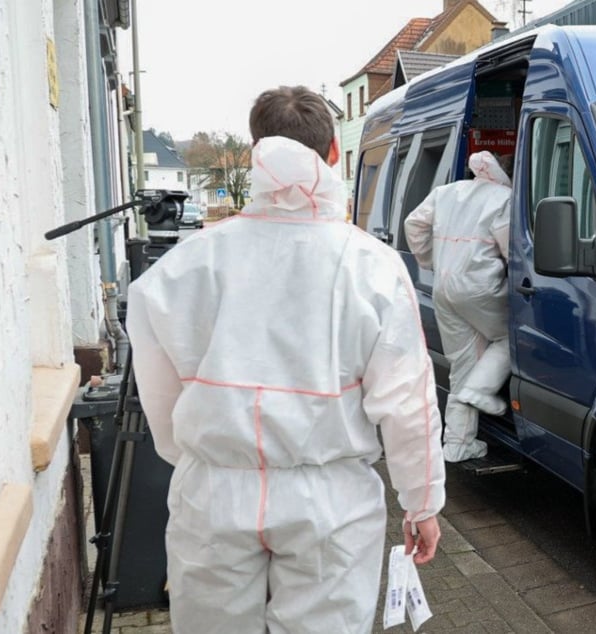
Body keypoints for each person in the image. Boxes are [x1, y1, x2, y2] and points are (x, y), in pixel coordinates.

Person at [126, 85, 445, 634]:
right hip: (330, 500)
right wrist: (421, 501)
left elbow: (158, 390)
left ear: (256, 153)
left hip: (215, 492)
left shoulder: (186, 265)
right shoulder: (370, 265)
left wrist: (200, 455)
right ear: (332, 156)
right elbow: (406, 400)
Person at [403, 151, 513, 463]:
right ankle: (481, 389)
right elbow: (512, 251)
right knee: (512, 338)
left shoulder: (447, 191)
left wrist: (429, 260)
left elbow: (413, 224)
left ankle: (457, 444)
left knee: (463, 363)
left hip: (444, 287)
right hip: (480, 287)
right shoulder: (504, 198)